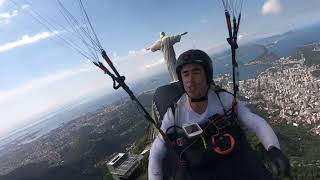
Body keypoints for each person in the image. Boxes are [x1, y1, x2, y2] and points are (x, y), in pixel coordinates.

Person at [148, 49, 290, 180]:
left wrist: (273, 148)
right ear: (181, 79)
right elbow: (156, 151)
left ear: (207, 75)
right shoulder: (175, 114)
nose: (190, 81)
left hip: (233, 164)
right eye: (185, 74)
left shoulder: (223, 100)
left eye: (196, 72)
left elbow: (255, 122)